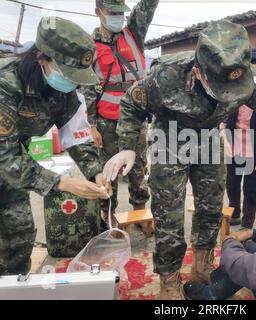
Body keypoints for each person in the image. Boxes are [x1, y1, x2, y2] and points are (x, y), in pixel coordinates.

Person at [103, 20, 256, 299]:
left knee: (211, 207)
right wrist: (129, 146)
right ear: (198, 71)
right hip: (168, 139)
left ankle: (202, 269)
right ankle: (168, 278)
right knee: (169, 213)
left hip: (208, 139)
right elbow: (132, 103)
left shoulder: (250, 81)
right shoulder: (166, 75)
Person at [0, 17, 110, 276]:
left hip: (15, 163)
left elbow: (77, 131)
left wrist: (96, 171)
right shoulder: (6, 84)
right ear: (41, 58)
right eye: (67, 74)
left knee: (19, 233)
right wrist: (63, 183)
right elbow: (3, 157)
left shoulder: (62, 89)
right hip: (7, 158)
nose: (71, 82)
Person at [82, 0, 159, 226]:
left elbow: (147, 7)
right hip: (106, 123)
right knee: (108, 173)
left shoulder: (133, 35)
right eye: (112, 12)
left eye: (120, 12)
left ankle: (141, 215)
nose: (118, 16)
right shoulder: (88, 46)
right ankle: (109, 221)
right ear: (98, 12)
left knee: (138, 169)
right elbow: (87, 88)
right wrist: (92, 126)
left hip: (136, 121)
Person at [220, 48, 256, 229]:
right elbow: (222, 119)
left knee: (252, 188)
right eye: (252, 71)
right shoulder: (234, 92)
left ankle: (247, 224)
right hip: (234, 145)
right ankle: (235, 213)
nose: (255, 76)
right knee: (232, 183)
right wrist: (224, 137)